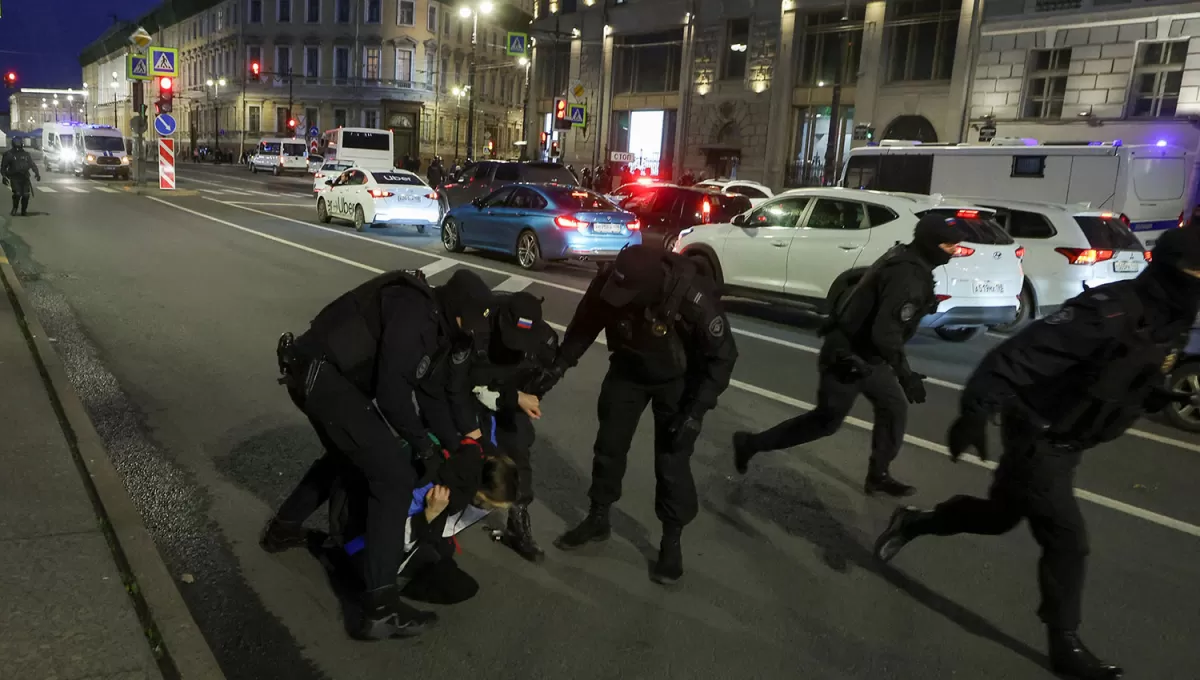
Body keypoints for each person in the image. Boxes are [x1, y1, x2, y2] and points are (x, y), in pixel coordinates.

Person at [873, 226, 1200, 680]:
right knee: (1067, 539)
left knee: (998, 517)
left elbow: (1125, 369)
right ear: (1176, 273)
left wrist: (1152, 395)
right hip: (1039, 436)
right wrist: (974, 412)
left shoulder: (1171, 321)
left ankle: (916, 521)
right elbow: (1015, 357)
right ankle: (1064, 642)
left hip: (1071, 441)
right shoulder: (1107, 312)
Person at [262, 268, 494, 640]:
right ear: (458, 313)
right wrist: (423, 448)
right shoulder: (415, 311)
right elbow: (392, 395)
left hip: (327, 378)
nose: (474, 334)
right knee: (394, 476)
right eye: (473, 324)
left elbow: (432, 397)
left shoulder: (439, 328)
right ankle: (379, 608)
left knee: (349, 455)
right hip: (320, 376)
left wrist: (460, 448)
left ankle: (282, 530)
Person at [537, 246, 738, 584]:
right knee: (609, 447)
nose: (619, 299)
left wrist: (695, 413)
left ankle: (671, 541)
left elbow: (723, 357)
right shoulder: (610, 282)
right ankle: (598, 517)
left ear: (652, 287)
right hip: (628, 371)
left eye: (628, 294)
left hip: (677, 382)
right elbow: (584, 327)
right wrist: (557, 367)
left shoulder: (691, 295)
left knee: (672, 461)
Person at [732, 213, 965, 497]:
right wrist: (906, 375)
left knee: (893, 408)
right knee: (825, 422)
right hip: (847, 356)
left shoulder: (910, 261)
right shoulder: (907, 275)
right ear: (931, 244)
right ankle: (750, 444)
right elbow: (885, 332)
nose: (954, 252)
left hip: (871, 357)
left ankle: (878, 474)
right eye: (949, 246)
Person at [336, 440, 520, 613]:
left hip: (383, 534)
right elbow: (388, 534)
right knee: (457, 585)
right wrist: (429, 514)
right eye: (489, 504)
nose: (487, 510)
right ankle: (375, 587)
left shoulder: (455, 472)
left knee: (446, 559)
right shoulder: (431, 490)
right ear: (479, 490)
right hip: (366, 545)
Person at [469, 292, 559, 562]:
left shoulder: (545, 340)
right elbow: (464, 380)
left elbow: (542, 375)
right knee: (465, 444)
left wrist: (530, 397)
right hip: (474, 391)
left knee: (519, 450)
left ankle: (517, 522)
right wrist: (511, 396)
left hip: (513, 396)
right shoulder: (479, 326)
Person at [1, 137, 41, 217]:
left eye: (19, 143)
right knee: (17, 194)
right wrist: (4, 176)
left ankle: (24, 210)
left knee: (26, 195)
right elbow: (3, 167)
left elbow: (32, 164)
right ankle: (15, 208)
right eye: (17, 143)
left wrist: (37, 173)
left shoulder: (26, 154)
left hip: (25, 177)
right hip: (15, 177)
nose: (18, 144)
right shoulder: (9, 154)